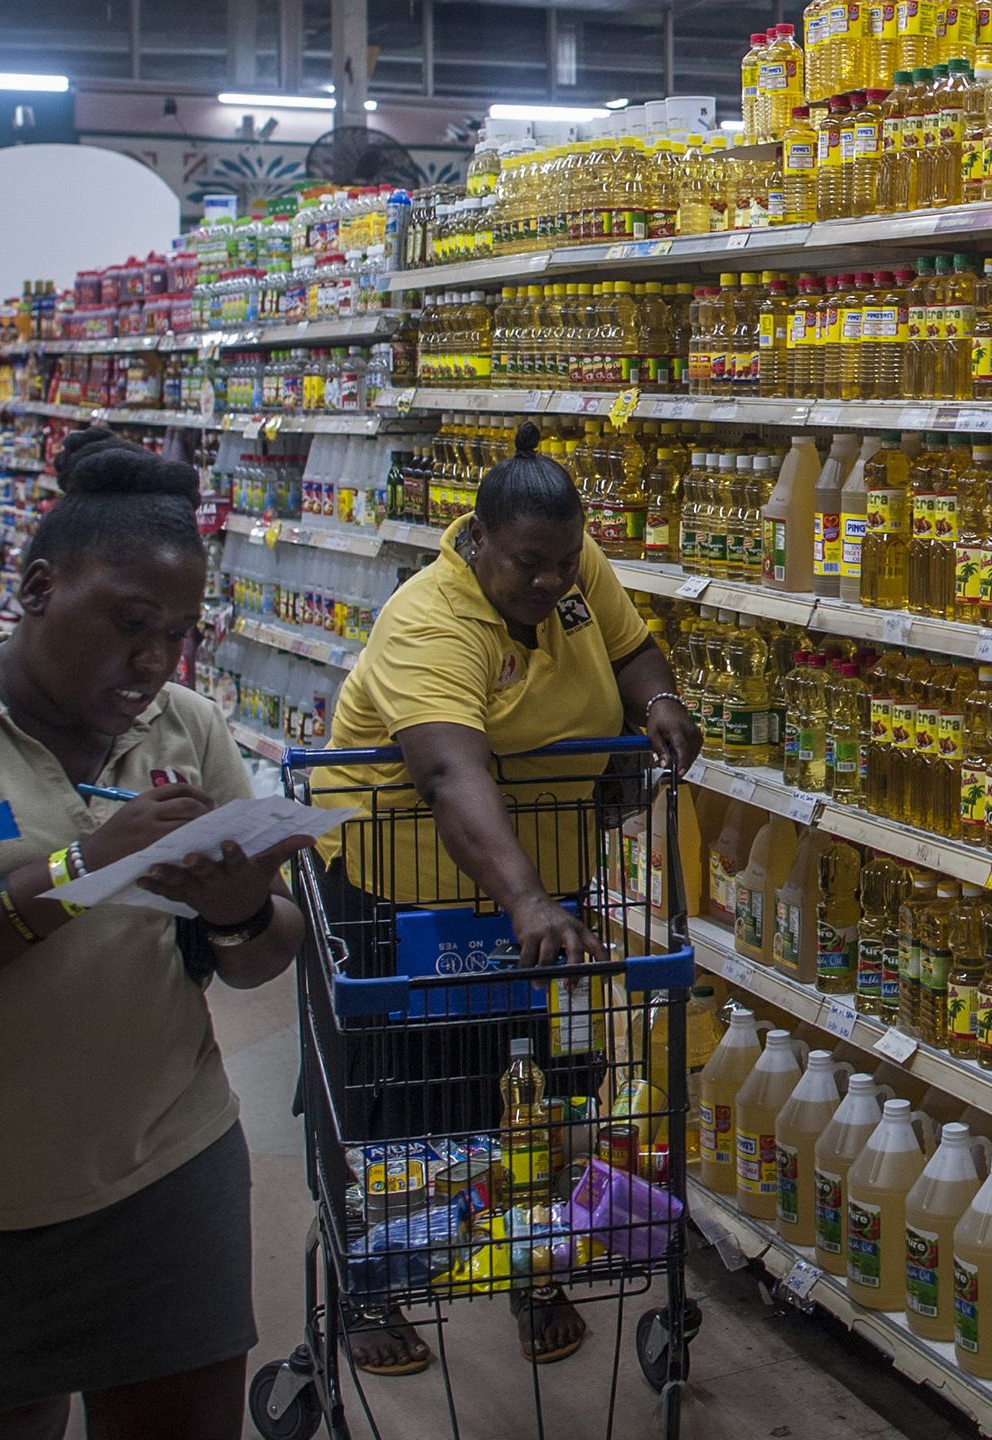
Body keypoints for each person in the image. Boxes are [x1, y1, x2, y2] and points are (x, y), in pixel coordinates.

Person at [0, 429, 306, 1440]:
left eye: (179, 632)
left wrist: (238, 908)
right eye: (129, 624)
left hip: (169, 1171)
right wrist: (77, 870)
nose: (155, 659)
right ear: (34, 590)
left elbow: (257, 960)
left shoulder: (189, 728)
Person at [313, 420, 703, 1376]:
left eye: (564, 563)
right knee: (406, 1101)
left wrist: (658, 702)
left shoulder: (573, 569)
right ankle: (375, 1281)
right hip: (404, 895)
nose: (551, 582)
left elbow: (631, 650)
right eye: (530, 564)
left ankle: (531, 1263)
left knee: (535, 1091)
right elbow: (449, 775)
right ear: (478, 539)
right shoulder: (429, 621)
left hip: (544, 889)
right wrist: (526, 898)